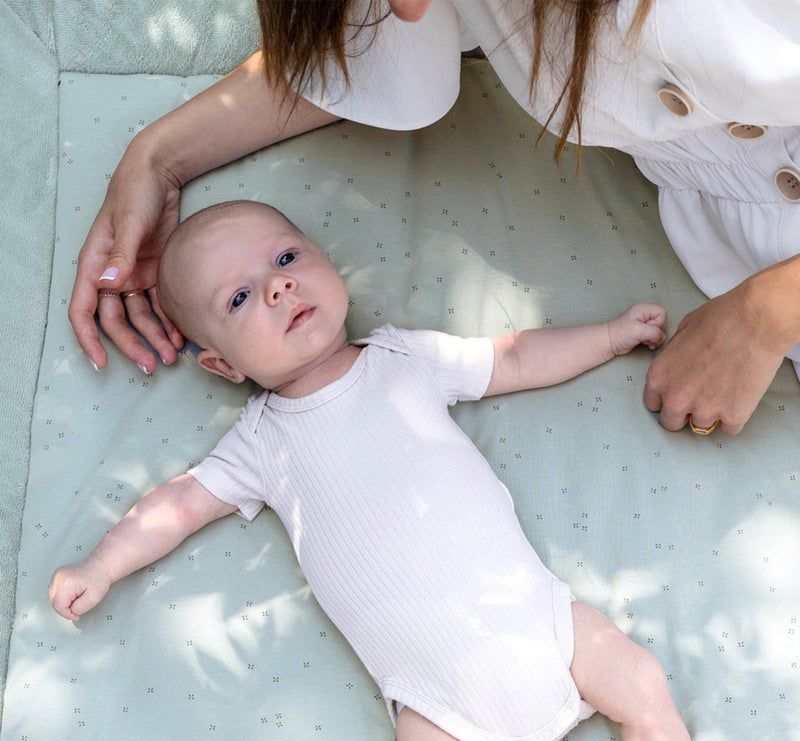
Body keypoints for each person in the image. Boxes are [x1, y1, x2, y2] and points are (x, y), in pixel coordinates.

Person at [52, 199, 762, 741]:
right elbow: (176, 506)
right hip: (435, 700)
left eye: (285, 260)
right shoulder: (261, 443)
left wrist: (609, 335)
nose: (279, 290)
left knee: (640, 682)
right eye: (241, 299)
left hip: (540, 624)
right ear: (222, 365)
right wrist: (103, 566)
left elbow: (516, 359)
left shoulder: (401, 360)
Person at [70, 0, 800, 437]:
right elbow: (356, 51)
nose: (411, 10)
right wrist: (157, 157)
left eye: (287, 262)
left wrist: (766, 315)